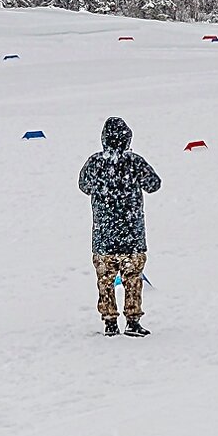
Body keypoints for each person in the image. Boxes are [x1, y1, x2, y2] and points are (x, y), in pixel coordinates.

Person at [78, 117, 161, 337]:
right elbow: (154, 184)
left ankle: (110, 323)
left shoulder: (94, 163)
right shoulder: (134, 162)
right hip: (132, 236)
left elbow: (83, 186)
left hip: (104, 237)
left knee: (105, 281)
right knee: (133, 279)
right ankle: (132, 321)